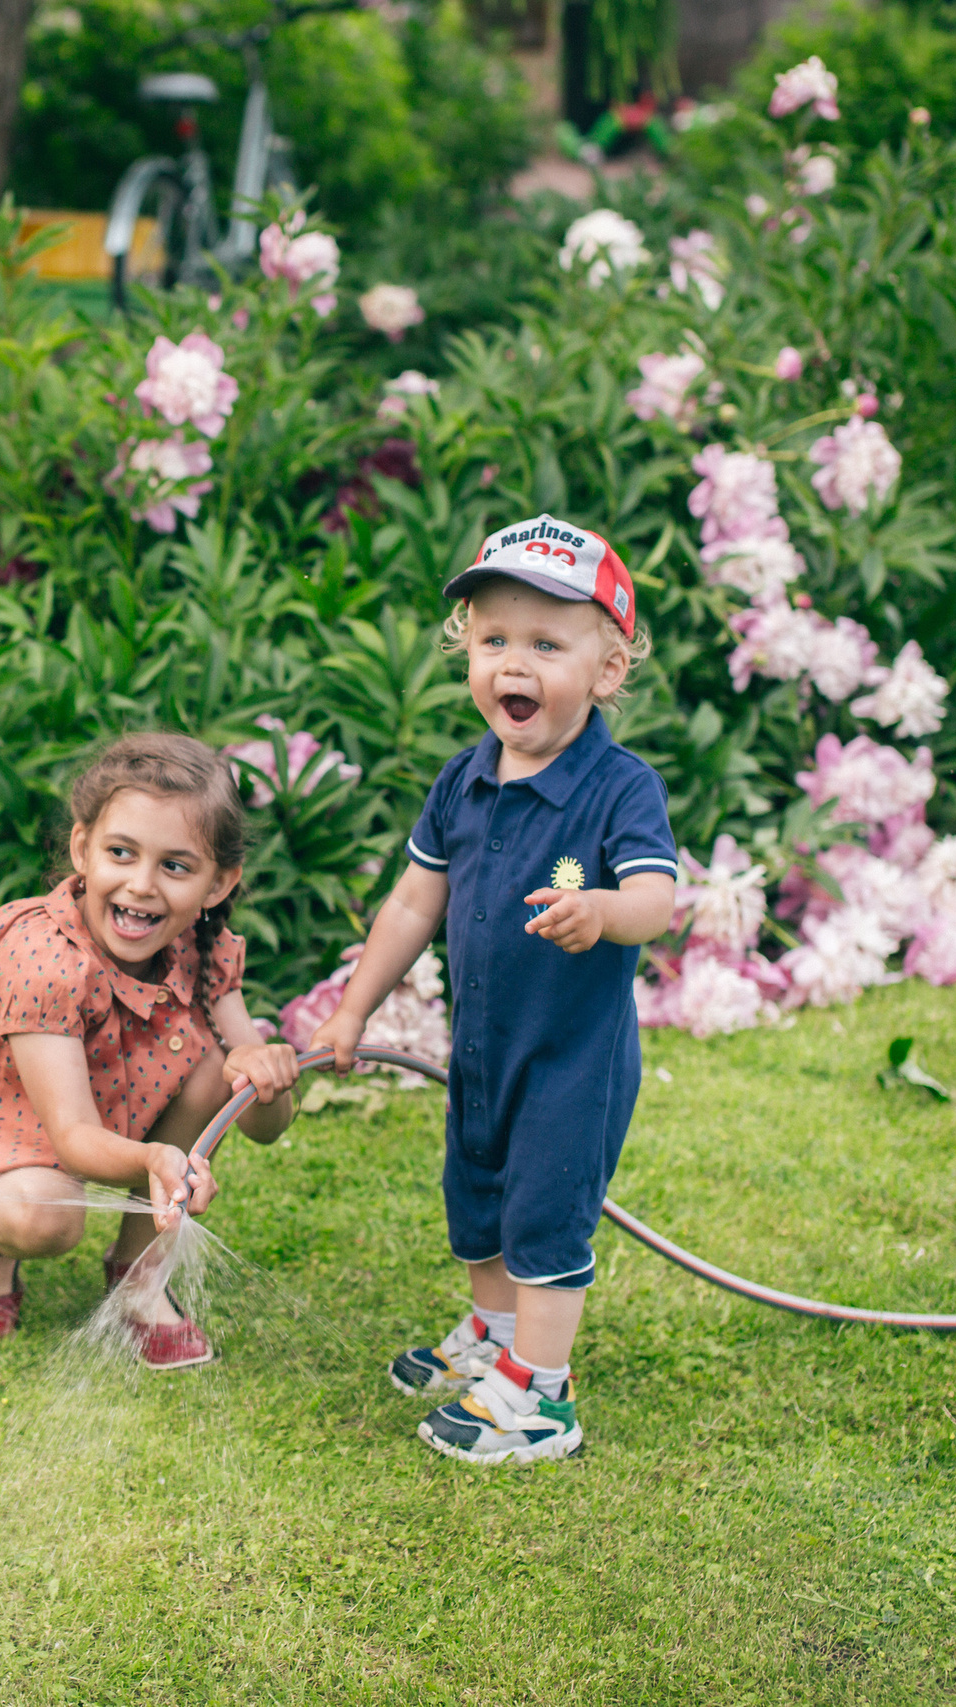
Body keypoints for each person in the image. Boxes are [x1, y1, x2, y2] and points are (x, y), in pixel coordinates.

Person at [312, 514, 677, 1464]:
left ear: (607, 668)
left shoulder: (618, 788)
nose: (515, 663)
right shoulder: (463, 780)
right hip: (482, 1045)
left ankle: (542, 1397)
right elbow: (410, 903)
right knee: (476, 1195)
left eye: (547, 644)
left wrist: (601, 908)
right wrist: (355, 1005)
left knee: (544, 1214)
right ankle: (496, 1336)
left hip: (571, 1059)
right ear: (467, 651)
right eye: (495, 640)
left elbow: (657, 897)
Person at [0, 733, 301, 1370]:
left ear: (217, 883)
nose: (142, 885)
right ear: (82, 848)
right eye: (122, 853)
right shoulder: (44, 961)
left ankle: (139, 1278)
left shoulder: (205, 950)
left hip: (89, 1114)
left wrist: (265, 1077)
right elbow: (71, 1137)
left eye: (176, 866)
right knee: (46, 1216)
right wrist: (156, 1156)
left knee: (217, 1071)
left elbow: (261, 1126)